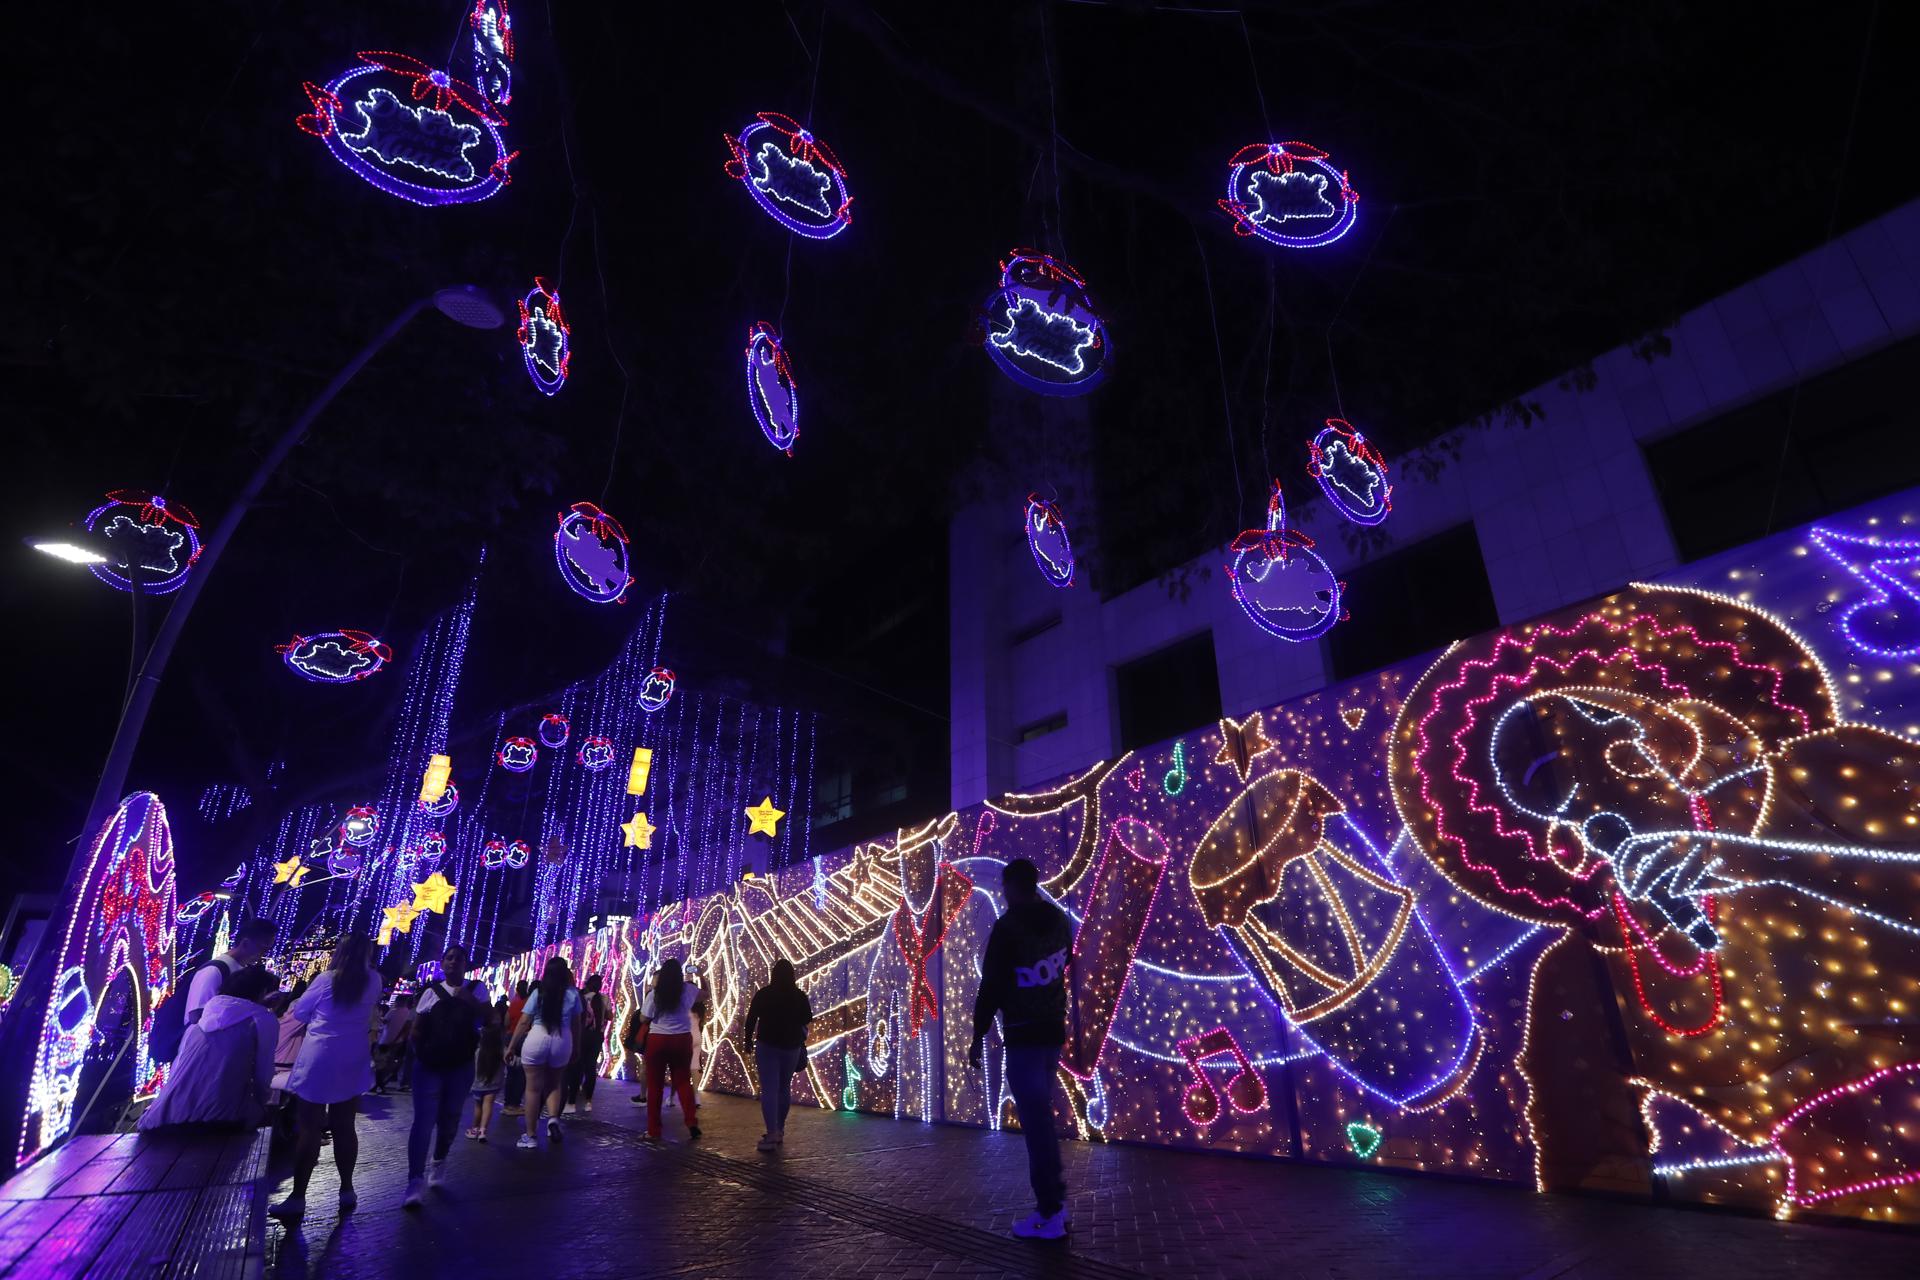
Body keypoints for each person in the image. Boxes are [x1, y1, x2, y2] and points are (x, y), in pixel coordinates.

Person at [969, 857, 1074, 1240]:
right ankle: (1055, 1206)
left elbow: (992, 986)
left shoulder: (1008, 927)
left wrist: (977, 1034)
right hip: (1051, 1036)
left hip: (1024, 1037)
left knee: (1037, 1126)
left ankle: (1050, 1211)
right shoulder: (1060, 922)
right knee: (1040, 1119)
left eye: (1005, 886)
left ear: (1013, 886)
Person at [271, 934, 381, 1220]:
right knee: (345, 1126)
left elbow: (303, 1012)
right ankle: (347, 1190)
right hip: (352, 1058)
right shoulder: (374, 981)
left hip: (320, 1057)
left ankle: (298, 1197)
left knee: (309, 1128)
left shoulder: (325, 980)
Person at [140, 965, 280, 1130]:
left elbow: (177, 1070)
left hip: (162, 1118)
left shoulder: (197, 1023)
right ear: (264, 992)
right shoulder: (262, 1020)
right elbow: (263, 1074)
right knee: (265, 1119)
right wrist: (261, 1103)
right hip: (220, 1119)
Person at [403, 945, 489, 1207]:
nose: (453, 962)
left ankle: (439, 1161)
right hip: (429, 1066)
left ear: (466, 964)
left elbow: (492, 1020)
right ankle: (415, 1181)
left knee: (450, 1119)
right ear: (442, 963)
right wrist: (421, 1056)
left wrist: (471, 1002)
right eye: (449, 958)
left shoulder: (477, 990)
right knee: (423, 1122)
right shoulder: (430, 992)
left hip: (460, 1065)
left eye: (459, 959)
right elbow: (416, 1030)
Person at [505, 957, 580, 1148]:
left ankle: (530, 1136)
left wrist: (512, 1046)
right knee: (554, 1084)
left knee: (532, 1089)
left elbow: (523, 1022)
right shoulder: (573, 994)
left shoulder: (539, 992)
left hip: (537, 1036)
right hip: (562, 1039)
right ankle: (553, 1119)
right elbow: (577, 1024)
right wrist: (576, 1047)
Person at [744, 958, 813, 1151]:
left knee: (769, 1089)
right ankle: (780, 1130)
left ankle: (771, 1132)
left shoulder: (764, 994)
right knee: (784, 1087)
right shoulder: (799, 995)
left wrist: (748, 1041)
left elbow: (751, 1019)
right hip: (791, 1047)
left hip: (767, 1045)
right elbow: (806, 1019)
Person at [641, 958, 702, 1141]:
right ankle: (691, 1122)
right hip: (682, 1039)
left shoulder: (655, 994)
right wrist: (700, 975)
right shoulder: (688, 990)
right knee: (683, 1081)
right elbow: (705, 995)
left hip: (658, 1039)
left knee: (655, 1085)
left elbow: (644, 1018)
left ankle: (654, 1130)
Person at [183, 917, 277, 1028]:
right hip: (204, 1042)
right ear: (245, 943)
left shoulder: (243, 971)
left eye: (268, 949)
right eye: (262, 948)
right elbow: (196, 1016)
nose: (264, 954)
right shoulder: (215, 970)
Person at [563, 973, 610, 1114]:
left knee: (577, 1067)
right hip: (597, 1037)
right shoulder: (604, 998)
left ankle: (571, 1102)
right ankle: (588, 1102)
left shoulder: (579, 997)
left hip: (581, 1035)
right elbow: (609, 1016)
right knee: (591, 1068)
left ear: (587, 984)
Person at [467, 1007, 506, 1140]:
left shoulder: (477, 1052)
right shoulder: (499, 1050)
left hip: (478, 1083)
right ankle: (483, 1131)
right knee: (488, 1104)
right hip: (494, 1083)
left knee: (478, 1106)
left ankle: (474, 1129)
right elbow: (510, 1060)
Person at [372, 993, 415, 1093]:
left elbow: (385, 1021)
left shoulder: (393, 1011)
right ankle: (381, 1084)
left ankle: (377, 1085)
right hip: (398, 1041)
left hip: (385, 1040)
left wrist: (378, 1019)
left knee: (380, 1063)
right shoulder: (407, 1012)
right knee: (390, 1063)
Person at [501, 979, 531, 1117]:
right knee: (520, 1074)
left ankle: (507, 1104)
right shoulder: (530, 1003)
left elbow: (506, 1021)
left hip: (509, 1038)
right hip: (522, 1040)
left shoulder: (513, 1003)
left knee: (511, 1073)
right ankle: (514, 1105)